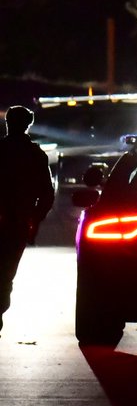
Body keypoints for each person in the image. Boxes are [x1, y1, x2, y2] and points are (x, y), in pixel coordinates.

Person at [0, 106, 56, 335]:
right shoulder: (35, 155)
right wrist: (35, 218)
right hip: (18, 223)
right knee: (6, 273)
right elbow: (47, 194)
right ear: (28, 125)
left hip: (14, 221)